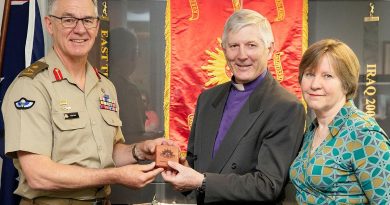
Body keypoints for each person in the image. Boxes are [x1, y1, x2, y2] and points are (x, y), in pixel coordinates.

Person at [1, 0, 168, 204]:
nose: (80, 29)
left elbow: (109, 153)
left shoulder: (105, 87)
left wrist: (139, 150)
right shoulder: (31, 87)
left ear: (97, 26)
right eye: (69, 19)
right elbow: (38, 174)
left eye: (88, 20)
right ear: (49, 24)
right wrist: (114, 176)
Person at [162, 9, 306, 204]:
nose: (242, 55)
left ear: (270, 49)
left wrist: (201, 181)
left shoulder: (286, 107)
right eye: (234, 46)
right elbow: (197, 166)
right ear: (224, 49)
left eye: (251, 45)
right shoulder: (207, 99)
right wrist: (180, 168)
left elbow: (268, 185)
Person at [289, 39, 390, 204]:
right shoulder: (312, 130)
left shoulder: (364, 134)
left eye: (327, 76)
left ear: (346, 83)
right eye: (309, 74)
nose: (315, 84)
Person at [109, 27, 147, 143]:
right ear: (131, 55)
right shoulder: (128, 90)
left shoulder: (100, 81)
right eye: (137, 52)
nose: (138, 57)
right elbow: (135, 135)